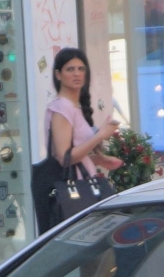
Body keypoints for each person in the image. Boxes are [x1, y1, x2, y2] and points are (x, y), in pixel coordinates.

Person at [43, 46, 121, 224]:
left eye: (81, 69)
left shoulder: (73, 107)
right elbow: (64, 158)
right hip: (76, 191)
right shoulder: (62, 107)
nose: (77, 74)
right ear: (58, 75)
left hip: (82, 187)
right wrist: (99, 136)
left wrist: (97, 160)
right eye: (70, 69)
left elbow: (73, 157)